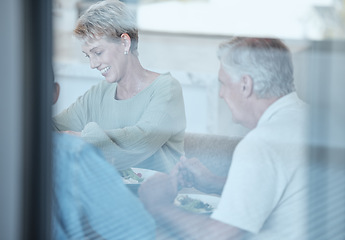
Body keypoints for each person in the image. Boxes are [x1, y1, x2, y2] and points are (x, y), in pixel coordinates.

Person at [138, 37, 309, 240]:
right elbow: (280, 190)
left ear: (245, 85)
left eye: (224, 83)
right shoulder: (310, 119)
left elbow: (217, 236)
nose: (221, 94)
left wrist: (158, 205)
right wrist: (215, 183)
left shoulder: (260, 144)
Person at [53, 0, 186, 172]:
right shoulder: (99, 93)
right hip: (107, 194)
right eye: (88, 56)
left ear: (124, 42)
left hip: (156, 195)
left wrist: (81, 139)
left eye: (98, 52)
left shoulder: (167, 89)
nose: (93, 64)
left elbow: (141, 140)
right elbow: (54, 127)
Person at [51, 80, 156, 239]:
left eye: (98, 53)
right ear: (54, 93)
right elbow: (139, 232)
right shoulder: (73, 154)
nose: (94, 64)